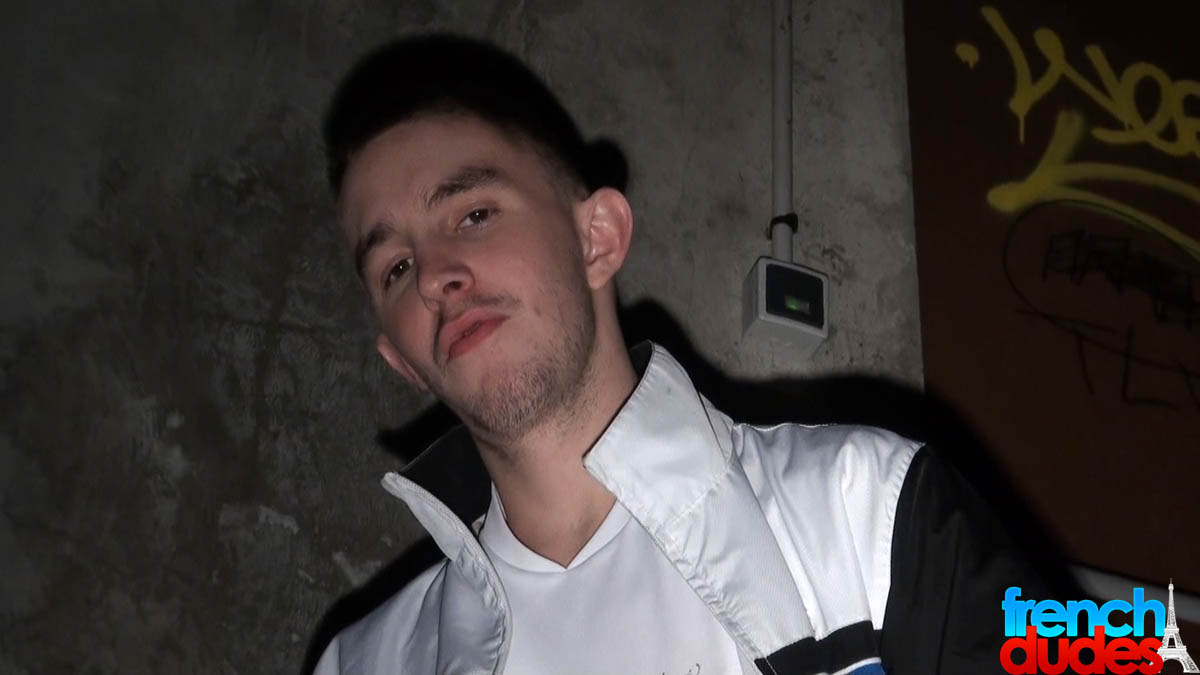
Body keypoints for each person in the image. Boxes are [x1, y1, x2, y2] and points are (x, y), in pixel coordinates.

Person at [313, 34, 1050, 675]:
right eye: (395, 268)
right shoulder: (365, 661)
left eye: (473, 214)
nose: (435, 276)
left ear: (597, 239)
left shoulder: (869, 509)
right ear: (400, 359)